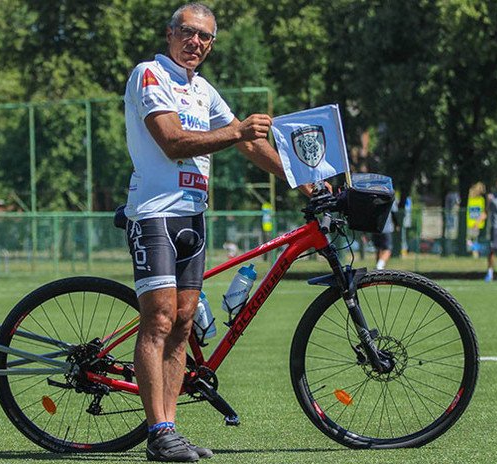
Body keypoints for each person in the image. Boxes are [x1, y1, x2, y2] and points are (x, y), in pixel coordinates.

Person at [121, 3, 308, 461]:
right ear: (170, 34)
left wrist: (298, 176)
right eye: (188, 32)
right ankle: (158, 431)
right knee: (160, 320)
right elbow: (173, 142)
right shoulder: (150, 74)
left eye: (205, 37)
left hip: (193, 216)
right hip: (154, 214)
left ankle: (170, 432)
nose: (196, 43)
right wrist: (237, 131)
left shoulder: (203, 89)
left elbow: (247, 141)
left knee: (185, 324)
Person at [370, 201, 398, 270]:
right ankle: (380, 265)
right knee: (387, 249)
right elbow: (394, 213)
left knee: (378, 249)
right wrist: (397, 224)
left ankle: (378, 269)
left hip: (375, 228)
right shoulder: (390, 196)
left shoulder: (373, 195)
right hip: (386, 228)